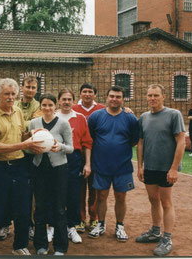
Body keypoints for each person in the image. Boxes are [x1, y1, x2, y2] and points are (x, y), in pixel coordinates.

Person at [0, 78, 44, 255]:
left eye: (13, 94)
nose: (11, 97)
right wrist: (25, 145)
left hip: (19, 166)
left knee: (23, 209)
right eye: (7, 94)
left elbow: (20, 135)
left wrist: (32, 135)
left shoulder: (18, 112)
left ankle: (19, 246)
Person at [136, 84, 185, 256]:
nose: (152, 98)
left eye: (156, 95)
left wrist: (173, 168)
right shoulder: (143, 117)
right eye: (150, 95)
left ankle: (167, 238)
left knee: (166, 202)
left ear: (164, 97)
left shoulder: (174, 114)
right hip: (150, 167)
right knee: (153, 200)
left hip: (166, 169)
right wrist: (139, 166)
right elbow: (140, 142)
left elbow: (181, 141)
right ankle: (155, 231)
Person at [87, 86, 139, 242]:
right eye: (112, 96)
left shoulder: (130, 118)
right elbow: (90, 138)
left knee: (120, 197)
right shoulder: (96, 116)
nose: (114, 99)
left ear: (123, 99)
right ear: (106, 97)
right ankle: (101, 224)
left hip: (122, 166)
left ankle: (119, 226)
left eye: (118, 96)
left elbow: (134, 139)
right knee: (101, 196)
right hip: (101, 165)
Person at [0, 75, 40, 241]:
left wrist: (25, 122)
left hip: (30, 155)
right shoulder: (12, 102)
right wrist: (29, 122)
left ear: (36, 90)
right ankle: (4, 224)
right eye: (27, 87)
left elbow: (35, 124)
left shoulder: (39, 104)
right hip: (11, 152)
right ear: (22, 88)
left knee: (28, 194)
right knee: (6, 191)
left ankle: (29, 225)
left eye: (33, 87)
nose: (30, 90)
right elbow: (28, 123)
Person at [29, 93, 73, 255]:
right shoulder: (34, 123)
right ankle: (41, 245)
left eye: (50, 105)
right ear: (40, 106)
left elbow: (70, 147)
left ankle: (60, 247)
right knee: (40, 207)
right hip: (39, 169)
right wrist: (32, 147)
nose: (47, 108)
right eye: (44, 105)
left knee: (59, 208)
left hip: (59, 170)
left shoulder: (63, 124)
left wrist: (58, 146)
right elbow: (28, 147)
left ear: (56, 106)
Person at [56, 88, 92, 244]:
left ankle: (71, 227)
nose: (66, 102)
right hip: (55, 158)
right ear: (58, 101)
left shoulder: (80, 118)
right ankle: (54, 226)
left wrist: (88, 164)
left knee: (73, 194)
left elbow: (87, 143)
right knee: (56, 193)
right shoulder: (52, 117)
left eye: (69, 99)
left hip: (74, 159)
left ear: (73, 101)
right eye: (63, 99)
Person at [72, 83, 105, 233]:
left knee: (95, 189)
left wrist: (127, 109)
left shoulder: (102, 108)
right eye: (84, 92)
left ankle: (94, 218)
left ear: (95, 95)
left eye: (90, 92)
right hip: (78, 154)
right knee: (78, 189)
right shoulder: (73, 109)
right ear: (80, 94)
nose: (87, 94)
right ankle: (79, 219)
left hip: (97, 154)